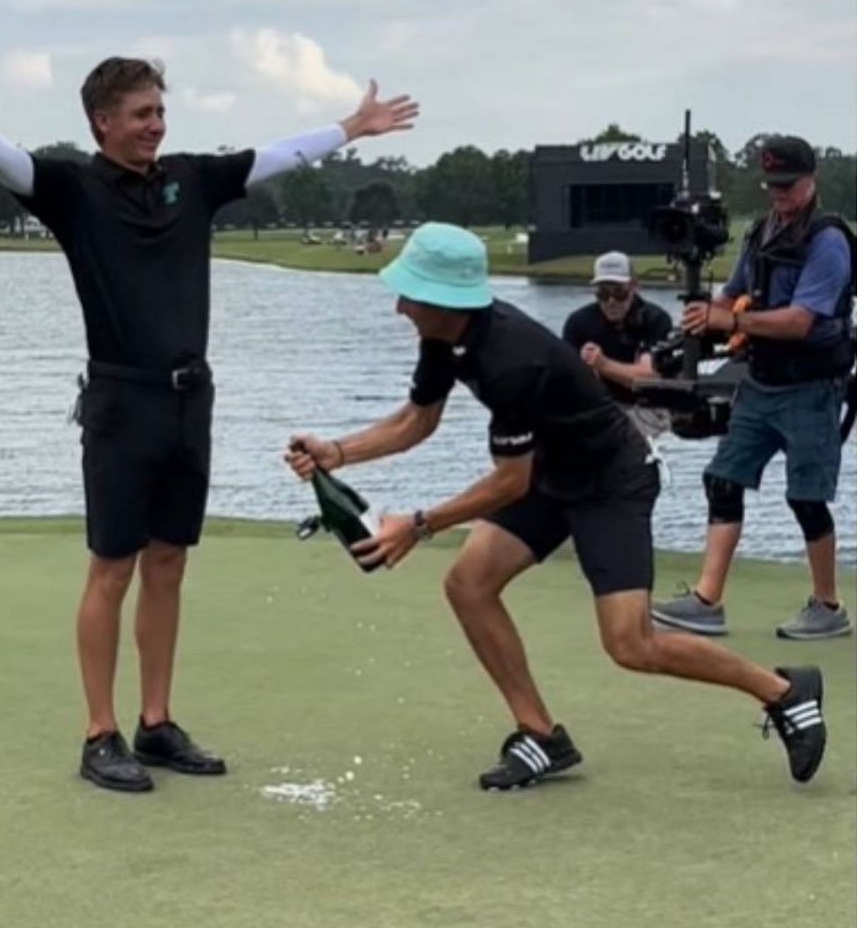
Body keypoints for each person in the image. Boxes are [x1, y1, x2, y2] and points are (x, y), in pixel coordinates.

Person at [0, 57, 418, 792]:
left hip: (192, 402)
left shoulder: (190, 179)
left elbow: (272, 158)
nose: (157, 124)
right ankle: (101, 734)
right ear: (102, 121)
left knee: (169, 562)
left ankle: (156, 723)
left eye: (160, 111)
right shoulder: (72, 190)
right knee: (112, 567)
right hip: (122, 406)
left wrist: (352, 126)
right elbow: (1, 158)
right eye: (142, 114)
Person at [285, 224, 826, 788]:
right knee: (468, 584)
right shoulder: (444, 337)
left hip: (611, 481)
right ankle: (541, 735)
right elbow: (417, 418)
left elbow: (509, 482)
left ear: (445, 300)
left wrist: (419, 526)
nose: (399, 306)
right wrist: (339, 452)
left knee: (631, 644)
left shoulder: (511, 360)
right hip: (551, 473)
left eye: (410, 294)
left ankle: (785, 692)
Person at [651, 136, 856, 641]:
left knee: (806, 498)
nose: (779, 195)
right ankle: (706, 600)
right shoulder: (762, 232)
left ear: (811, 181)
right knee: (723, 480)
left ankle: (827, 606)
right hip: (760, 383)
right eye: (773, 186)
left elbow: (801, 322)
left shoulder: (828, 240)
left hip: (811, 387)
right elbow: (735, 291)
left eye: (788, 185)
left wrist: (727, 315)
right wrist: (708, 317)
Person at [562, 251, 676, 442]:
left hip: (646, 407)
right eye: (603, 294)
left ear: (634, 287)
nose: (611, 302)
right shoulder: (578, 323)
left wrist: (602, 365)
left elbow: (648, 379)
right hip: (596, 407)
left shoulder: (655, 320)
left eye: (619, 294)